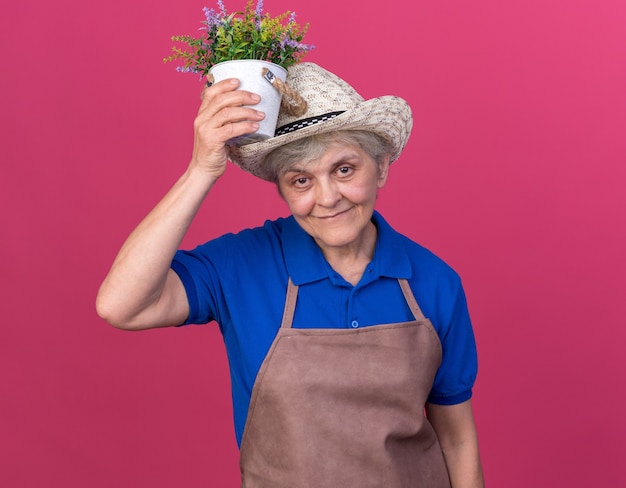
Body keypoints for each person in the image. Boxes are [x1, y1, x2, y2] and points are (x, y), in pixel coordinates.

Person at [96, 62, 484, 487]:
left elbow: (457, 438)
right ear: (281, 190)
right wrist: (201, 170)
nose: (328, 198)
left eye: (344, 169)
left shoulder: (434, 281)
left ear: (382, 167)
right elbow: (121, 306)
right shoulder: (240, 266)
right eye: (301, 180)